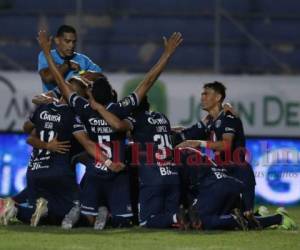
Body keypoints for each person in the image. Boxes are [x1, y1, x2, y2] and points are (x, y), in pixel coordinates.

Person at [36, 29, 183, 229]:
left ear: (92, 94)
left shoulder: (86, 109)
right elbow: (148, 81)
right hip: (118, 174)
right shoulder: (121, 109)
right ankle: (105, 210)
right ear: (112, 95)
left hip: (96, 171)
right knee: (123, 222)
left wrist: (46, 51)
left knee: (88, 221)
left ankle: (92, 209)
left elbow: (61, 83)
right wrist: (166, 54)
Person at [88, 95, 186, 229]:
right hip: (172, 175)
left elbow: (118, 126)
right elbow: (150, 133)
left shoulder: (136, 118)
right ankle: (179, 216)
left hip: (153, 178)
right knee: (172, 224)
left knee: (146, 223)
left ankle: (176, 216)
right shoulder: (162, 117)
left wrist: (99, 108)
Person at [38, 24, 102, 92]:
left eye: (74, 42)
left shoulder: (83, 60)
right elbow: (47, 78)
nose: (71, 45)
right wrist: (67, 65)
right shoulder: (46, 55)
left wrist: (81, 72)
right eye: (67, 41)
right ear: (57, 40)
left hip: (75, 101)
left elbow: (100, 77)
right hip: (52, 101)